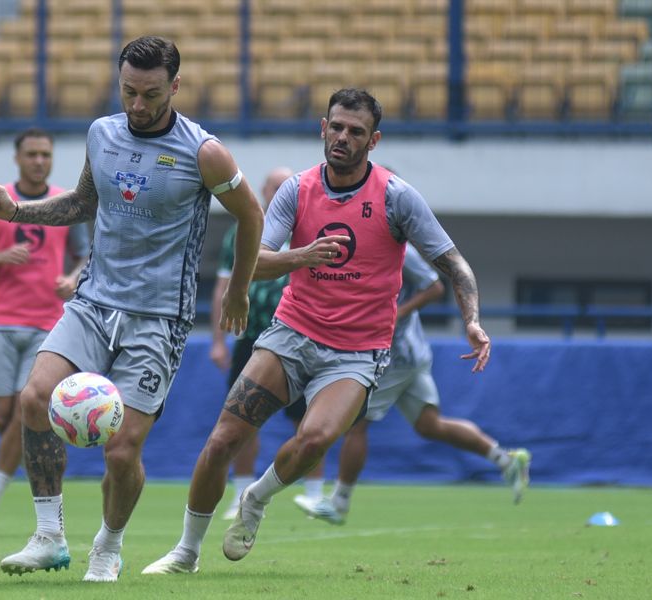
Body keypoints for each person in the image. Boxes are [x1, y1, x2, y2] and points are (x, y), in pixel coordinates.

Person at [143, 88, 491, 574]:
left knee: (314, 439)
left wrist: (471, 319)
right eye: (337, 127)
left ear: (374, 141)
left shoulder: (396, 197)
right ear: (322, 128)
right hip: (292, 334)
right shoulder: (298, 190)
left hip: (356, 352)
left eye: (356, 131)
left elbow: (453, 264)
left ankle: (256, 500)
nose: (343, 137)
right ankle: (186, 552)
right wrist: (300, 257)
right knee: (224, 439)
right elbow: (255, 261)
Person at [0, 36, 264, 582]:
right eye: (128, 91)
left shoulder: (205, 152)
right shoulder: (101, 133)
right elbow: (84, 203)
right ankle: (49, 536)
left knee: (121, 449)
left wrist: (240, 289)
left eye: (150, 94)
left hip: (159, 320)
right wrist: (17, 211)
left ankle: (107, 546)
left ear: (174, 86)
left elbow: (250, 216)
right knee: (34, 398)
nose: (137, 104)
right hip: (93, 301)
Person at [293, 245, 530, 526]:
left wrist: (396, 313)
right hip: (408, 354)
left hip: (396, 355)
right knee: (430, 425)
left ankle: (339, 503)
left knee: (357, 424)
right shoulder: (358, 242)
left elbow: (434, 288)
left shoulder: (401, 251)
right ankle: (505, 460)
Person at [0, 128, 92, 537]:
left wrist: (73, 278)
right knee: (5, 418)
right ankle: (29, 465)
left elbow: (87, 256)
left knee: (25, 408)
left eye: (45, 154)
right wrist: (0, 257)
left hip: (48, 324)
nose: (39, 161)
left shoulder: (65, 202)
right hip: (0, 319)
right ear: (17, 159)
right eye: (32, 154)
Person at [211, 167, 331, 521]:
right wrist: (218, 339)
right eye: (273, 186)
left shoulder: (307, 228)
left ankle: (314, 495)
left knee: (309, 420)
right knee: (242, 417)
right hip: (250, 334)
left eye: (285, 186)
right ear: (262, 190)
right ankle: (241, 491)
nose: (279, 192)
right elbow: (223, 284)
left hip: (301, 333)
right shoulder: (241, 231)